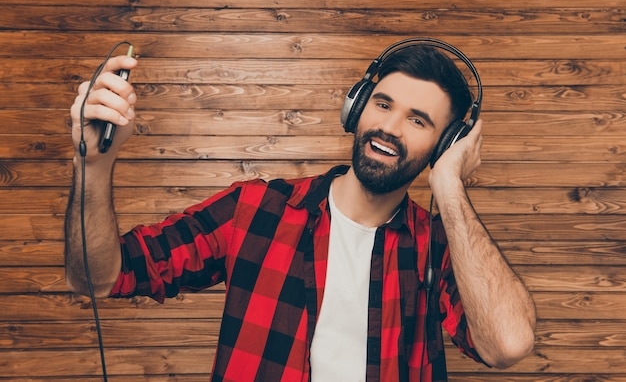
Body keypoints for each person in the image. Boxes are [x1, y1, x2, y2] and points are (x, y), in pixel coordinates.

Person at [65, 39, 536, 382]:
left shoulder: (436, 247)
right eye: (382, 104)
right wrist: (95, 163)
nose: (388, 127)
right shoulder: (256, 210)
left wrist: (449, 187)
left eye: (418, 120)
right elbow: (98, 276)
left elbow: (507, 345)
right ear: (356, 109)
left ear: (444, 144)